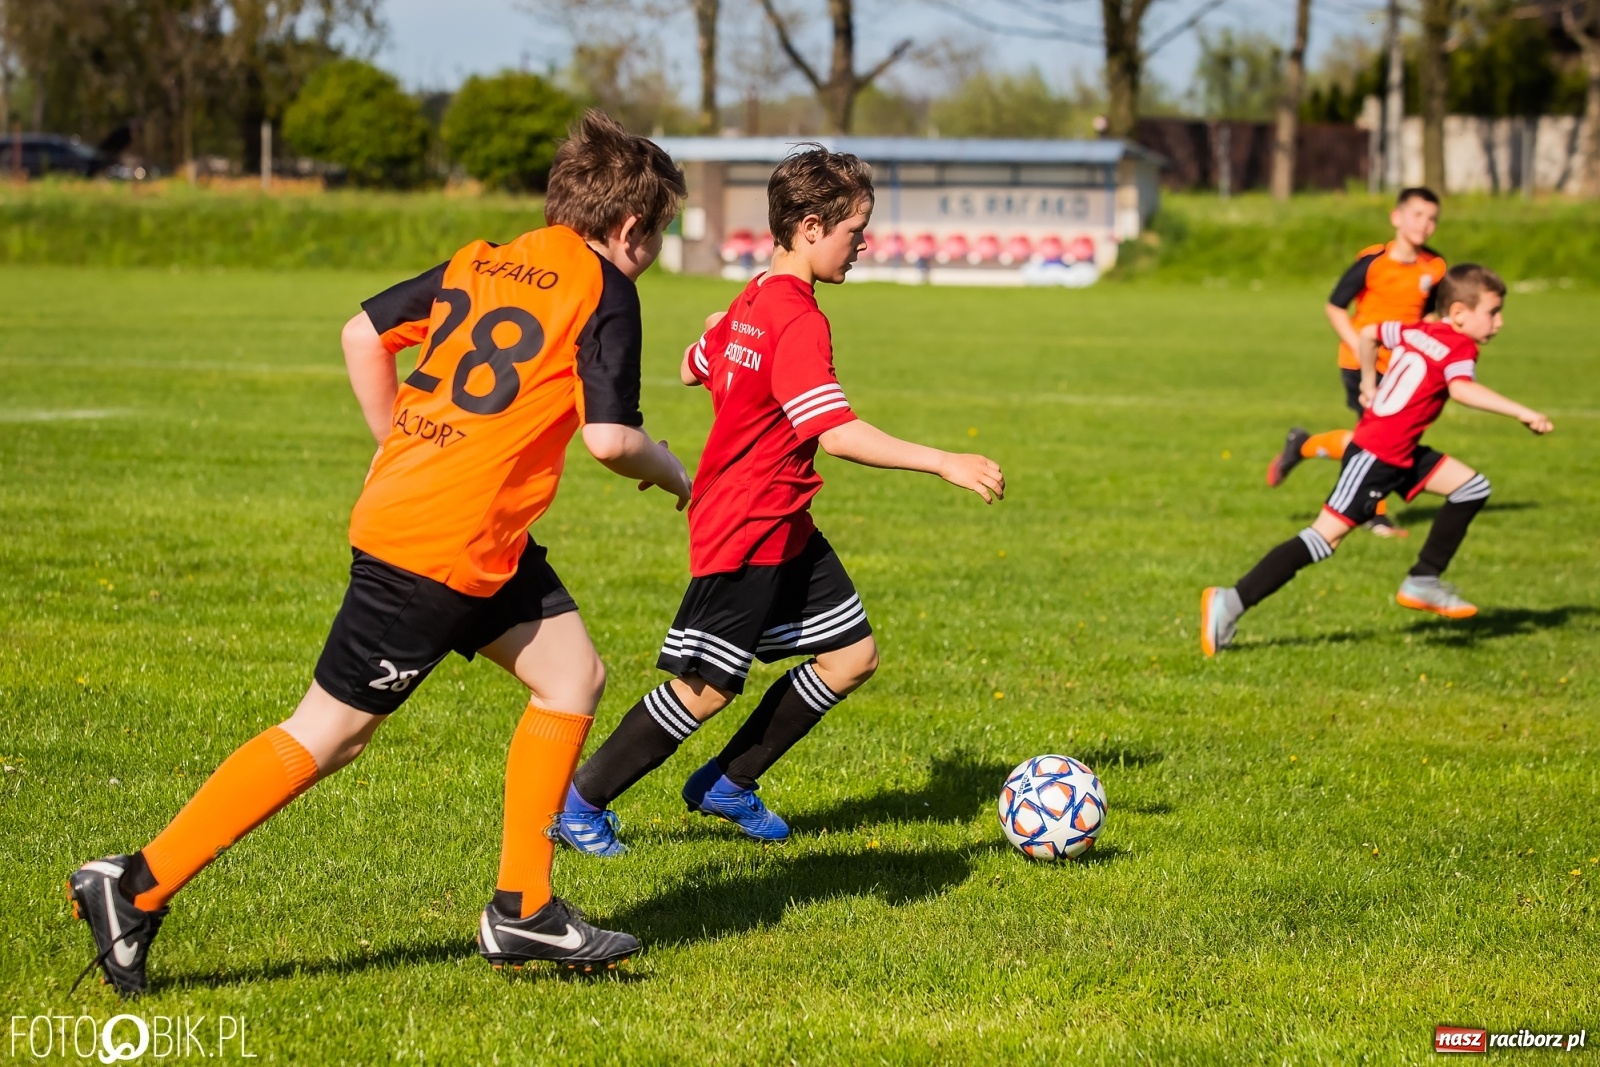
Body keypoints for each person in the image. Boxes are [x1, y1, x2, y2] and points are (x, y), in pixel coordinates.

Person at [66, 111, 692, 995]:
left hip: (476, 534)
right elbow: (610, 439)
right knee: (330, 733)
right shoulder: (604, 285)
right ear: (631, 228)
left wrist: (394, 438)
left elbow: (363, 333)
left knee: (572, 676)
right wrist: (678, 477)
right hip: (437, 543)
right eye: (657, 235)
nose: (653, 252)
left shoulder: (482, 257)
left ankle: (524, 907)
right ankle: (134, 883)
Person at [554, 146, 1005, 856]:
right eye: (857, 231)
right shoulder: (797, 318)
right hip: (748, 523)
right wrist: (943, 459)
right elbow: (835, 433)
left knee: (851, 655)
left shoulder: (756, 294)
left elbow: (691, 365)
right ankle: (582, 800)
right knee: (707, 687)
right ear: (813, 227)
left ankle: (728, 782)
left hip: (784, 516)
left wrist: (715, 335)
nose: (863, 245)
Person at [1202, 264, 1551, 656]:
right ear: (1458, 313)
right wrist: (1521, 411)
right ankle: (1229, 602)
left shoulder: (1417, 329)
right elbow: (1462, 389)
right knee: (1321, 539)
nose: (1499, 322)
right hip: (1375, 456)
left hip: (1398, 452)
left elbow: (1368, 332)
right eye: (1492, 312)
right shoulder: (1459, 346)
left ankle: (1423, 579)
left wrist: (1369, 381)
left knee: (1471, 487)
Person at [1266, 187, 1448, 537]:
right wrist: (1359, 345)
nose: (1424, 225)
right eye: (1417, 215)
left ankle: (1302, 445)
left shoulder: (1435, 266)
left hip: (1401, 368)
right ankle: (1374, 515)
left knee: (1379, 438)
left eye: (1432, 219)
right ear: (1396, 217)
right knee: (1378, 439)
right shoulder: (1373, 261)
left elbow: (1428, 317)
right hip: (1360, 363)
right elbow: (1335, 306)